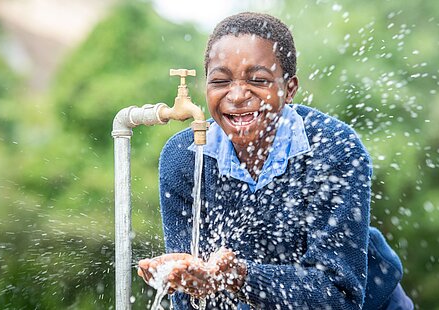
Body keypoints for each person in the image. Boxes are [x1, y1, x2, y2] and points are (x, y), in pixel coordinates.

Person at [138, 12, 414, 309]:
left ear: (289, 89)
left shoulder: (332, 148)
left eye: (258, 80)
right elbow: (189, 296)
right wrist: (187, 279)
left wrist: (240, 276)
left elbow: (338, 296)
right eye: (220, 81)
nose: (238, 95)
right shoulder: (185, 159)